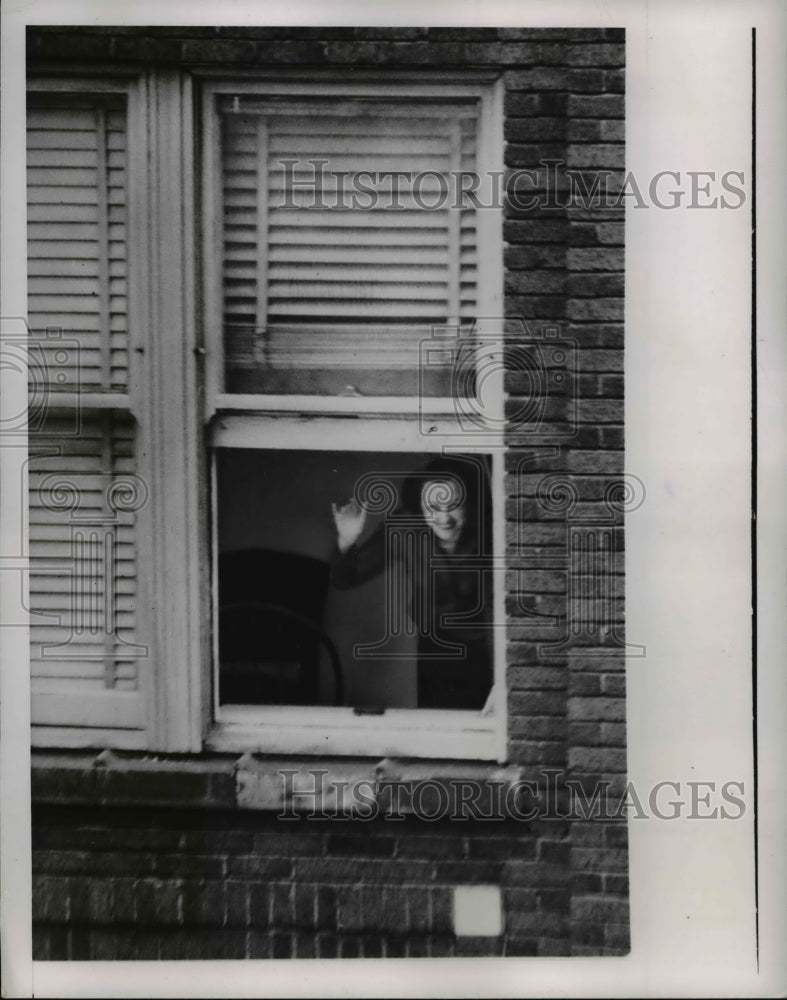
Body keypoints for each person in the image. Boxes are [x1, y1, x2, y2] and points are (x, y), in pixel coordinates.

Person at [330, 456, 493, 710]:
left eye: (453, 505)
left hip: (487, 650)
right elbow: (344, 579)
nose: (443, 518)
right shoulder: (405, 528)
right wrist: (347, 539)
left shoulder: (491, 531)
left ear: (469, 504)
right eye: (432, 508)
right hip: (433, 651)